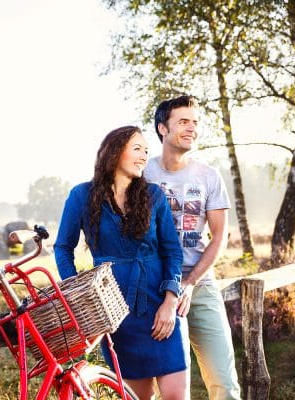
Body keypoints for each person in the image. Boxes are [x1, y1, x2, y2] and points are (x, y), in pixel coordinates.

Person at [54, 125, 189, 400]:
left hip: (160, 306)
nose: (144, 156)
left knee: (177, 396)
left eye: (146, 151)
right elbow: (62, 247)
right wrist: (78, 294)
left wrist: (170, 300)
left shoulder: (153, 196)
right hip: (114, 312)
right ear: (115, 152)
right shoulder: (81, 195)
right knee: (138, 397)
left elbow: (172, 252)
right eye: (137, 149)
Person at [144, 95, 241, 399]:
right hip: (152, 285)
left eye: (195, 122)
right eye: (183, 121)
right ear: (162, 128)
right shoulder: (143, 175)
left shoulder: (208, 176)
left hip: (198, 284)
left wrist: (188, 283)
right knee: (158, 383)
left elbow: (220, 236)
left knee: (223, 382)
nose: (192, 128)